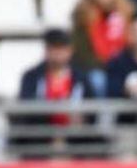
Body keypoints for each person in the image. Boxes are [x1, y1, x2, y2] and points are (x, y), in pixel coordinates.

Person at [14, 28, 103, 158]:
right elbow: (25, 108)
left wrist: (82, 117)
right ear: (46, 51)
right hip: (42, 133)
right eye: (53, 49)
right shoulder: (31, 76)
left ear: (70, 51)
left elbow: (93, 109)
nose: (57, 54)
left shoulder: (81, 77)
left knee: (99, 142)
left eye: (61, 49)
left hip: (75, 133)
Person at [71, 0, 136, 95]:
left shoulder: (128, 14)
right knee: (98, 79)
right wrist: (106, 66)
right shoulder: (82, 16)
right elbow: (82, 53)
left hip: (124, 66)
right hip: (96, 68)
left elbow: (133, 45)